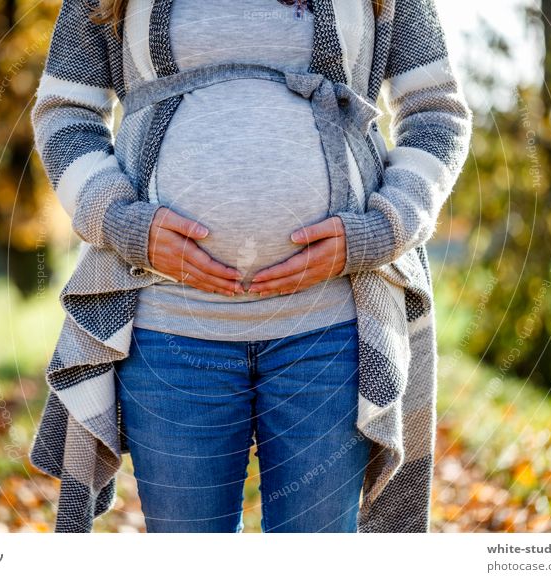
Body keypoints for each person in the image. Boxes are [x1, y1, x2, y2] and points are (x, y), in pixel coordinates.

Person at [30, 0, 472, 533]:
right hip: (169, 329)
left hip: (331, 327)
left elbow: (435, 111)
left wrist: (385, 226)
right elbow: (66, 111)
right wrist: (123, 221)